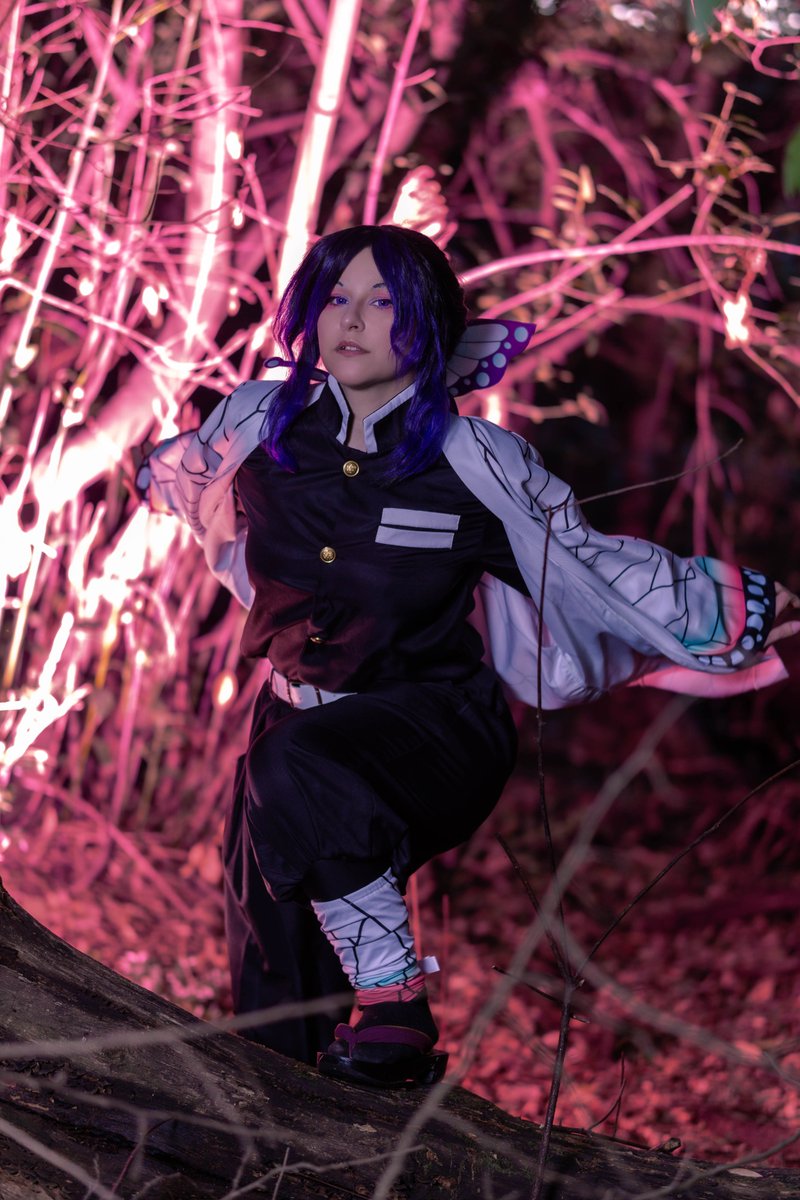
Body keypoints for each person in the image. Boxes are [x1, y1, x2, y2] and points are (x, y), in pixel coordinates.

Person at [137, 224, 798, 1088]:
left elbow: (591, 563)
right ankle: (308, 1132)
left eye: (383, 302)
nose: (352, 320)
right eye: (336, 297)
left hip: (433, 728)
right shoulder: (264, 424)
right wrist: (154, 478)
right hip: (290, 728)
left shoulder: (474, 459)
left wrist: (733, 609)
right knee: (274, 977)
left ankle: (396, 1001)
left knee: (301, 773)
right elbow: (194, 475)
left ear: (427, 326)